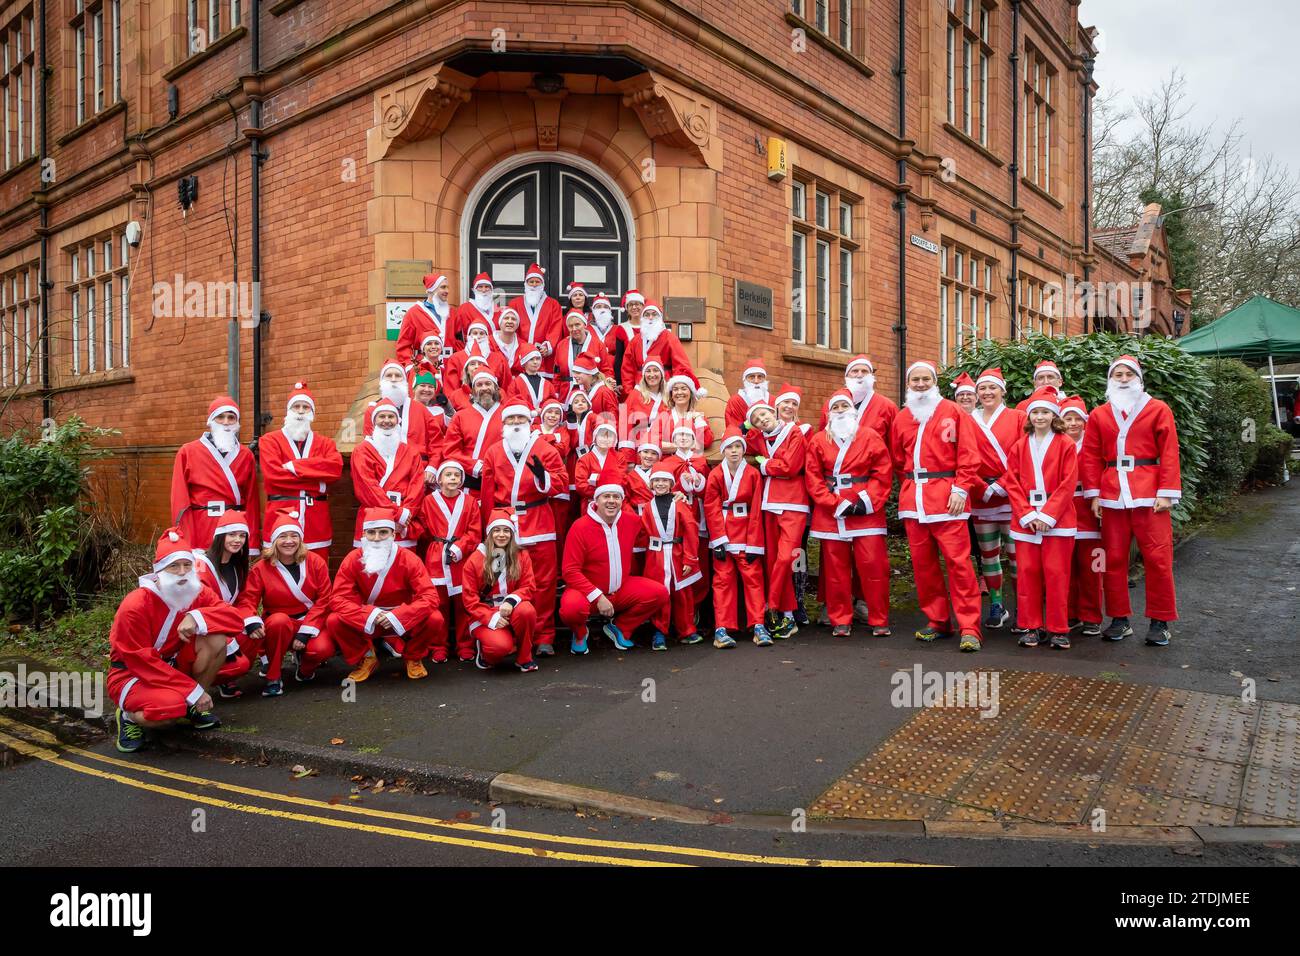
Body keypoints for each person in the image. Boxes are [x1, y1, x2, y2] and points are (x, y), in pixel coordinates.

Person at [108, 528, 248, 753]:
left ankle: (192, 707)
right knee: (169, 712)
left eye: (187, 565)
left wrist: (197, 616)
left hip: (172, 667)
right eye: (174, 566)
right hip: (132, 674)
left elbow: (234, 620)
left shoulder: (197, 592)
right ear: (159, 570)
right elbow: (139, 660)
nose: (182, 572)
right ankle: (128, 717)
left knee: (216, 639)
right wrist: (192, 690)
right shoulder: (135, 605)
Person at [1080, 354, 1182, 646]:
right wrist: (1095, 495)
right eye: (1117, 375)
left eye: (1128, 374)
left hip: (1149, 493)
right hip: (1112, 493)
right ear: (1110, 380)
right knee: (1113, 559)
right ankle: (1119, 618)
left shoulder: (1158, 409)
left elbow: (1170, 451)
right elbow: (1090, 456)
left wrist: (1166, 492)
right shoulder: (1100, 414)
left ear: (1138, 378)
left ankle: (1160, 621)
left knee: (1158, 558)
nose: (1123, 379)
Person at [888, 359, 984, 651]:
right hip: (914, 500)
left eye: (925, 379)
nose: (920, 384)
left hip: (947, 498)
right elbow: (896, 459)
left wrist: (961, 489)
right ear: (908, 384)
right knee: (923, 566)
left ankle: (969, 626)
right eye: (914, 380)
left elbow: (969, 454)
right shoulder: (902, 417)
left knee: (959, 564)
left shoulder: (953, 412)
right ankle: (938, 620)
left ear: (934, 382)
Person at [805, 389, 893, 638]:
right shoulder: (819, 440)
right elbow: (813, 478)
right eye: (836, 407)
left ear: (853, 410)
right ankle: (840, 619)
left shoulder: (870, 436)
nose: (841, 411)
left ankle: (879, 618)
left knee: (873, 566)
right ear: (829, 413)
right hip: (832, 512)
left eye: (845, 406)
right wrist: (833, 503)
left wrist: (866, 501)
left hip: (866, 510)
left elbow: (883, 471)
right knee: (835, 570)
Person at [560, 457, 670, 654]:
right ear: (597, 499)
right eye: (606, 496)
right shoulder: (580, 527)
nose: (611, 501)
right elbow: (570, 571)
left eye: (616, 497)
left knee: (659, 593)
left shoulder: (631, 521)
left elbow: (655, 519)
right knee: (570, 608)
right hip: (588, 594)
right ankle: (579, 632)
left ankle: (620, 627)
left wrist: (673, 497)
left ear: (622, 500)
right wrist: (598, 596)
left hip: (620, 590)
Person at [482, 404, 568, 655]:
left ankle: (543, 636)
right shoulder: (494, 451)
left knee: (544, 582)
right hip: (504, 523)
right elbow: (488, 492)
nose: (517, 422)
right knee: (504, 581)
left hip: (539, 519)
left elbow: (562, 483)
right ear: (504, 423)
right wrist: (488, 524)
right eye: (512, 418)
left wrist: (544, 478)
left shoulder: (545, 449)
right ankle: (509, 632)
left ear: (530, 421)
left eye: (521, 417)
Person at [997, 386, 1079, 649]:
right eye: (1035, 412)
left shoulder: (1066, 444)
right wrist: (1028, 514)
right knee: (1028, 573)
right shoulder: (1020, 446)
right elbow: (1011, 482)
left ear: (1054, 415)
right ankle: (1032, 626)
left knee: (1056, 574)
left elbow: (1068, 483)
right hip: (1027, 519)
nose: (1040, 417)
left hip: (1058, 519)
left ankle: (1058, 628)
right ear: (1029, 416)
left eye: (1045, 412)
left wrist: (1049, 515)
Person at [320, 509, 442, 682]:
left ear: (393, 534)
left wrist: (398, 615)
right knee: (334, 620)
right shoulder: (352, 559)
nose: (377, 538)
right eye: (371, 532)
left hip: (402, 617)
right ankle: (366, 657)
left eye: (383, 532)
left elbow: (430, 597)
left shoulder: (409, 559)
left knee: (435, 618)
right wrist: (371, 615)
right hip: (369, 618)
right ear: (363, 534)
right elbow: (338, 598)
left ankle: (413, 656)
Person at [237, 511, 333, 695]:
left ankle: (305, 669)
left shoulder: (316, 562)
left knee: (321, 649)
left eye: (294, 536)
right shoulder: (261, 568)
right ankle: (273, 676)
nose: (289, 541)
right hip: (278, 626)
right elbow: (247, 599)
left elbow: (325, 599)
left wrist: (306, 632)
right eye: (283, 536)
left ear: (301, 539)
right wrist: (251, 620)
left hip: (309, 621)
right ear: (274, 541)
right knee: (279, 621)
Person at [967, 367, 1025, 630]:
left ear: (1003, 390)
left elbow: (1026, 455)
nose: (987, 392)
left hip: (1012, 496)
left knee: (1017, 558)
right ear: (976, 393)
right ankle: (996, 605)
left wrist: (1003, 485)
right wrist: (981, 486)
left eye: (992, 388)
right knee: (988, 557)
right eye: (982, 388)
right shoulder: (968, 419)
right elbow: (963, 458)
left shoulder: (1018, 417)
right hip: (981, 497)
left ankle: (1024, 608)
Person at [745, 398, 808, 639]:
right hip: (769, 504)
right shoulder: (759, 437)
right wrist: (748, 427)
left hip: (793, 503)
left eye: (764, 415)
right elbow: (744, 438)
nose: (762, 420)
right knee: (773, 562)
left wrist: (765, 466)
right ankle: (788, 615)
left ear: (774, 411)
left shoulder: (795, 432)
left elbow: (790, 466)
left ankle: (771, 607)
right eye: (757, 420)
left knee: (784, 560)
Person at [259, 382, 343, 553]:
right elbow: (273, 476)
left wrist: (293, 466)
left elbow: (335, 468)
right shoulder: (269, 441)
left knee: (316, 573)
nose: (300, 411)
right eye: (296, 406)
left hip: (316, 523)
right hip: (280, 519)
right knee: (278, 574)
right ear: (288, 411)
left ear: (312, 413)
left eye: (305, 407)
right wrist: (318, 484)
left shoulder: (326, 443)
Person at [170, 396, 260, 554]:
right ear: (211, 420)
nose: (226, 422)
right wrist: (186, 540)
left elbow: (252, 501)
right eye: (220, 417)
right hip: (202, 526)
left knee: (233, 576)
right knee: (203, 576)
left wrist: (251, 544)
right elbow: (180, 500)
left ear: (237, 423)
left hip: (235, 530)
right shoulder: (188, 452)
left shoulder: (246, 455)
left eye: (231, 417)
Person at [704, 428, 768, 647]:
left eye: (738, 446)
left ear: (743, 449)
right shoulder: (715, 475)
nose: (734, 451)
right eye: (729, 447)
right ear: (723, 450)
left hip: (746, 534)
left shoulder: (752, 474)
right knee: (722, 581)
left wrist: (755, 544)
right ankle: (722, 628)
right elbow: (710, 508)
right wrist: (718, 540)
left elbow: (757, 509)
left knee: (754, 580)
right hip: (723, 532)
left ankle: (758, 624)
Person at [418, 460, 481, 663]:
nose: (452, 478)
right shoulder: (428, 501)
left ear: (462, 479)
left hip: (462, 558)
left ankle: (465, 645)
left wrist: (460, 547)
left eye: (456, 475)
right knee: (439, 602)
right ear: (440, 479)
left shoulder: (470, 502)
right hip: (436, 557)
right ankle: (438, 646)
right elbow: (424, 529)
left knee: (464, 603)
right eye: (448, 475)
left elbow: (474, 531)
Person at [462, 510, 540, 672]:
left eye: (506, 530)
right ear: (489, 533)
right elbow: (470, 601)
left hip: (511, 608)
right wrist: (491, 617)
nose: (502, 535)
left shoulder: (521, 555)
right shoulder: (475, 560)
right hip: (484, 613)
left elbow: (529, 586)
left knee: (527, 611)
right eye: (496, 530)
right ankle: (486, 652)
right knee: (499, 648)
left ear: (512, 534)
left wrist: (511, 601)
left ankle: (524, 657)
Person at [192, 511, 256, 700]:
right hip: (206, 630)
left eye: (242, 535)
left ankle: (228, 678)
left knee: (257, 632)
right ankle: (198, 683)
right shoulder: (201, 565)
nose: (237, 540)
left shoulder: (238, 565)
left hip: (226, 622)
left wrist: (251, 620)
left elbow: (242, 600)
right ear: (220, 536)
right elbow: (199, 604)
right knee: (240, 664)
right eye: (232, 535)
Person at [639, 466, 702, 649]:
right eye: (656, 481)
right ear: (651, 484)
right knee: (660, 593)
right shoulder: (648, 507)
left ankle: (687, 630)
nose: (660, 484)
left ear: (671, 484)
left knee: (683, 594)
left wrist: (690, 559)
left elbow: (691, 530)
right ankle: (659, 632)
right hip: (656, 557)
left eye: (664, 481)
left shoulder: (680, 503)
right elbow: (643, 532)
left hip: (677, 554)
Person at [351, 400, 426, 548]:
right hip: (374, 518)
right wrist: (396, 515)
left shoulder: (410, 451)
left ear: (398, 421)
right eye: (382, 417)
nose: (386, 421)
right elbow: (368, 488)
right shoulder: (361, 451)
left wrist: (406, 515)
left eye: (391, 417)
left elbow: (417, 485)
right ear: (374, 421)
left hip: (404, 523)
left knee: (404, 565)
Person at [1061, 396, 1103, 638]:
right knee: (1065, 568)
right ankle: (1070, 613)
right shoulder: (1054, 443)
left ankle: (1092, 616)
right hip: (1064, 510)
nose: (1073, 423)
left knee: (1092, 568)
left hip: (1088, 509)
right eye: (1068, 418)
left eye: (1078, 418)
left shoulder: (1093, 445)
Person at [370, 360, 443, 479]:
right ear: (382, 380)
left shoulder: (420, 409)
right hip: (385, 473)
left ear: (404, 380)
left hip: (418, 472)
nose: (393, 379)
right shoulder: (372, 410)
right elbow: (369, 445)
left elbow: (436, 442)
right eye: (389, 375)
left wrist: (432, 468)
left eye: (398, 375)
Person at [441, 369, 504, 500]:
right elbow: (450, 451)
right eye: (479, 385)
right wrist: (474, 465)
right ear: (473, 390)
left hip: (501, 484)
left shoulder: (508, 415)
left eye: (488, 384)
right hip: (470, 486)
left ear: (496, 387)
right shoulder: (460, 416)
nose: (484, 388)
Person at [817, 355, 898, 438]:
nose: (860, 375)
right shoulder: (832, 404)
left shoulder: (888, 407)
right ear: (847, 376)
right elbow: (823, 440)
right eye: (855, 371)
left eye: (864, 371)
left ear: (871, 375)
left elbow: (894, 444)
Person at [507, 264, 563, 376]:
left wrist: (547, 346)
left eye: (537, 282)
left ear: (542, 284)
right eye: (531, 282)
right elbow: (510, 328)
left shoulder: (553, 305)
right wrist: (522, 347)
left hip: (543, 357)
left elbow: (556, 328)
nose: (534, 285)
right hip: (520, 353)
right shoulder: (514, 303)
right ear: (525, 284)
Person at [619, 301, 692, 388]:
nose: (650, 318)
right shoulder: (635, 340)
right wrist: (629, 391)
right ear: (642, 317)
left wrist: (676, 388)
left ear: (660, 317)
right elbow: (627, 369)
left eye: (654, 314)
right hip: (640, 386)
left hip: (663, 386)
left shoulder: (670, 338)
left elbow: (681, 366)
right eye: (647, 315)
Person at [396, 273, 456, 365]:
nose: (447, 291)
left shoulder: (452, 312)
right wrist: (410, 367)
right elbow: (403, 346)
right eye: (443, 287)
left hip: (451, 367)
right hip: (424, 366)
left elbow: (461, 341)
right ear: (431, 290)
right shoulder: (413, 313)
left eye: (448, 287)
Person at [443, 320, 514, 398]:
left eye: (482, 333)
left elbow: (507, 386)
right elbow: (450, 390)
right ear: (468, 336)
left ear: (487, 337)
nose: (478, 337)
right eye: (475, 333)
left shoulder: (499, 358)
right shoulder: (455, 358)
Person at [557, 308, 614, 401]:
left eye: (577, 324)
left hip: (591, 391)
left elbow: (606, 370)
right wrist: (556, 393)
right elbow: (557, 374)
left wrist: (607, 382)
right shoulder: (561, 345)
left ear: (585, 324)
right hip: (566, 393)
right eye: (570, 326)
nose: (574, 329)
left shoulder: (598, 345)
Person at [574, 421, 624, 509]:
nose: (605, 439)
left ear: (614, 440)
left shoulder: (619, 458)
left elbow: (621, 480)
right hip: (591, 503)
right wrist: (601, 494)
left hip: (614, 503)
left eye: (610, 436)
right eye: (602, 435)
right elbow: (581, 485)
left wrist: (595, 479)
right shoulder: (584, 459)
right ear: (595, 437)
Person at [662, 369, 713, 454]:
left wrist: (698, 419)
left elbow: (706, 441)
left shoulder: (699, 417)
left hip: (693, 464)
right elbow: (655, 443)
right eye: (675, 389)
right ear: (671, 394)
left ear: (691, 393)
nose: (679, 392)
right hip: (668, 464)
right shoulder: (664, 416)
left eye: (683, 388)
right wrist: (688, 446)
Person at [625, 359, 670, 445]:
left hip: (664, 446)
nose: (652, 375)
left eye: (656, 370)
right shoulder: (635, 395)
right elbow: (626, 426)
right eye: (648, 371)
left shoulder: (668, 396)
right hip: (641, 447)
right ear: (643, 375)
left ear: (662, 374)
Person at [609, 289, 645, 393]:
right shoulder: (622, 328)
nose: (634, 307)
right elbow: (619, 358)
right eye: (631, 305)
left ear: (643, 306)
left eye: (637, 304)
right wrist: (619, 382)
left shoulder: (650, 326)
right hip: (629, 376)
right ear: (627, 308)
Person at [453, 272, 500, 345]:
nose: (484, 290)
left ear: (491, 289)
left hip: (494, 351)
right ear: (474, 289)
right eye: (480, 287)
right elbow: (458, 335)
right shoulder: (464, 309)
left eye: (487, 287)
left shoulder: (498, 310)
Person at [725, 358, 770, 430]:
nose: (756, 381)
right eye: (752, 377)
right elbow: (733, 431)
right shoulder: (735, 401)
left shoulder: (773, 400)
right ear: (745, 379)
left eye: (760, 377)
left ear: (764, 379)